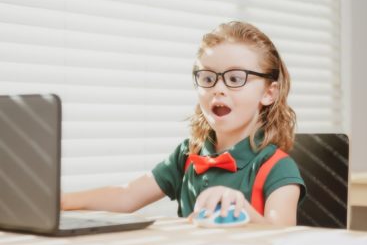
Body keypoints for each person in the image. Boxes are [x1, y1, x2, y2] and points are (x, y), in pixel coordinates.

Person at [61, 21, 306, 226]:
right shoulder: (188, 155)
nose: (218, 89)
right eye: (208, 77)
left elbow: (282, 238)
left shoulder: (278, 168)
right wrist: (61, 201)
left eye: (235, 78)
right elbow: (126, 196)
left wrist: (242, 210)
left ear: (269, 93)